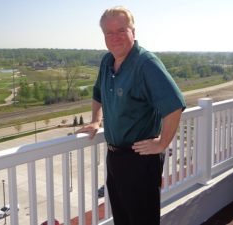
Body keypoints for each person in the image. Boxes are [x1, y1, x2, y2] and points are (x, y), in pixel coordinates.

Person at [76, 6, 186, 225]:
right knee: (122, 218)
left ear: (133, 32)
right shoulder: (107, 61)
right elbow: (98, 94)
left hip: (140, 159)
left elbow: (174, 105)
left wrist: (162, 143)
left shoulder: (146, 64)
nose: (115, 37)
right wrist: (96, 120)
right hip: (115, 157)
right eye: (109, 32)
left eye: (121, 30)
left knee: (142, 219)